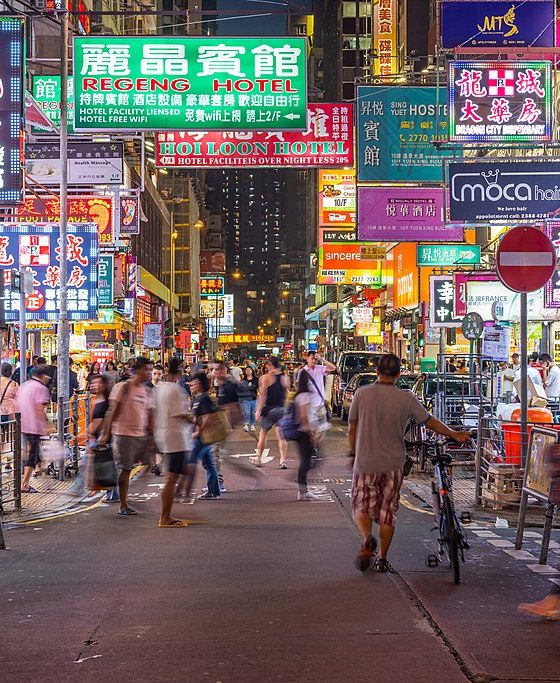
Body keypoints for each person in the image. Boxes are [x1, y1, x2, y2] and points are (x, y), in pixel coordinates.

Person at [348, 353, 471, 574]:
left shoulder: (361, 394)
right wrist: (454, 434)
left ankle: (367, 539)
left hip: (365, 461)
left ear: (377, 372)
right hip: (394, 463)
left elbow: (352, 427)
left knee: (361, 506)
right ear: (398, 374)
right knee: (387, 512)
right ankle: (383, 558)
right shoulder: (407, 398)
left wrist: (351, 453)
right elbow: (429, 421)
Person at [100, 357, 154, 516]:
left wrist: (151, 434)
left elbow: (149, 412)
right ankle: (123, 504)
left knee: (148, 466)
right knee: (126, 469)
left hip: (140, 434)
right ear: (137, 371)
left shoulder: (145, 390)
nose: (149, 373)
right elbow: (113, 411)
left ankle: (125, 496)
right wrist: (106, 434)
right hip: (124, 435)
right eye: (147, 370)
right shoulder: (123, 387)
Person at [153, 357, 193, 527]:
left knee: (173, 477)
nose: (183, 374)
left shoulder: (160, 388)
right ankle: (165, 517)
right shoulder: (176, 390)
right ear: (178, 372)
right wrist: (195, 419)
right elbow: (181, 414)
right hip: (175, 437)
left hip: (164, 435)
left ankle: (166, 515)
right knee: (171, 479)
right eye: (183, 370)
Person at [183, 371, 221, 500]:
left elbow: (206, 417)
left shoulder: (203, 398)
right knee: (209, 463)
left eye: (194, 383)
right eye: (191, 383)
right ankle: (214, 490)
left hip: (203, 436)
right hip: (203, 435)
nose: (191, 385)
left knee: (192, 460)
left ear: (200, 384)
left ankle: (184, 490)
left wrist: (198, 432)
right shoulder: (197, 398)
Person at [251, 356, 289, 469]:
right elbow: (286, 393)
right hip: (281, 409)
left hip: (269, 410)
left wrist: (258, 411)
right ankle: (282, 460)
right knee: (281, 436)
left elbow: (262, 396)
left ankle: (258, 458)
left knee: (263, 435)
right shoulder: (285, 377)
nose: (267, 367)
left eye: (268, 365)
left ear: (271, 365)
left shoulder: (265, 378)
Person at [19, 366, 53, 493]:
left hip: (23, 425)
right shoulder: (41, 388)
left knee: (34, 452)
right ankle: (24, 484)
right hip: (34, 426)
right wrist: (47, 424)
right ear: (42, 376)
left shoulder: (24, 386)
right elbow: (40, 408)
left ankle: (39, 472)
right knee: (32, 455)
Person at [86, 375, 119, 502]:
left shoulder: (105, 401)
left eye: (98, 383)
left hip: (102, 439)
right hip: (100, 439)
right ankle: (110, 492)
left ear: (104, 385)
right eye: (93, 383)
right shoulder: (98, 399)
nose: (95, 385)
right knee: (105, 465)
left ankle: (109, 491)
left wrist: (88, 433)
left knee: (103, 466)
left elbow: (99, 421)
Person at [301, 351, 336, 456]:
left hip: (320, 404)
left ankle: (314, 446)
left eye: (315, 359)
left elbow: (333, 368)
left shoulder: (320, 368)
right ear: (307, 358)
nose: (313, 360)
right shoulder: (302, 371)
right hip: (309, 404)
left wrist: (322, 359)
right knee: (311, 429)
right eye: (312, 358)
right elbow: (300, 387)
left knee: (323, 428)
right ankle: (311, 447)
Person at [292, 370, 320, 501]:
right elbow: (304, 416)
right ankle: (302, 490)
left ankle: (303, 487)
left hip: (302, 431)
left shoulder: (299, 395)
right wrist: (310, 433)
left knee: (308, 460)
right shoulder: (303, 396)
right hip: (304, 432)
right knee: (307, 461)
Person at [0, 362, 18, 459]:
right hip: (12, 412)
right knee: (10, 436)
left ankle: (1, 455)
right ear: (10, 371)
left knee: (1, 434)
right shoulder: (14, 384)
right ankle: (8, 460)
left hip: (0, 412)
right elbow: (18, 399)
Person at [240, 365, 258, 432]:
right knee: (247, 412)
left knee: (253, 412)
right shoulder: (243, 380)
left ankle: (252, 424)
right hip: (246, 399)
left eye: (249, 370)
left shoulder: (256, 379)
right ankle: (246, 424)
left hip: (254, 398)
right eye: (246, 370)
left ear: (252, 371)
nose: (248, 371)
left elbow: (259, 388)